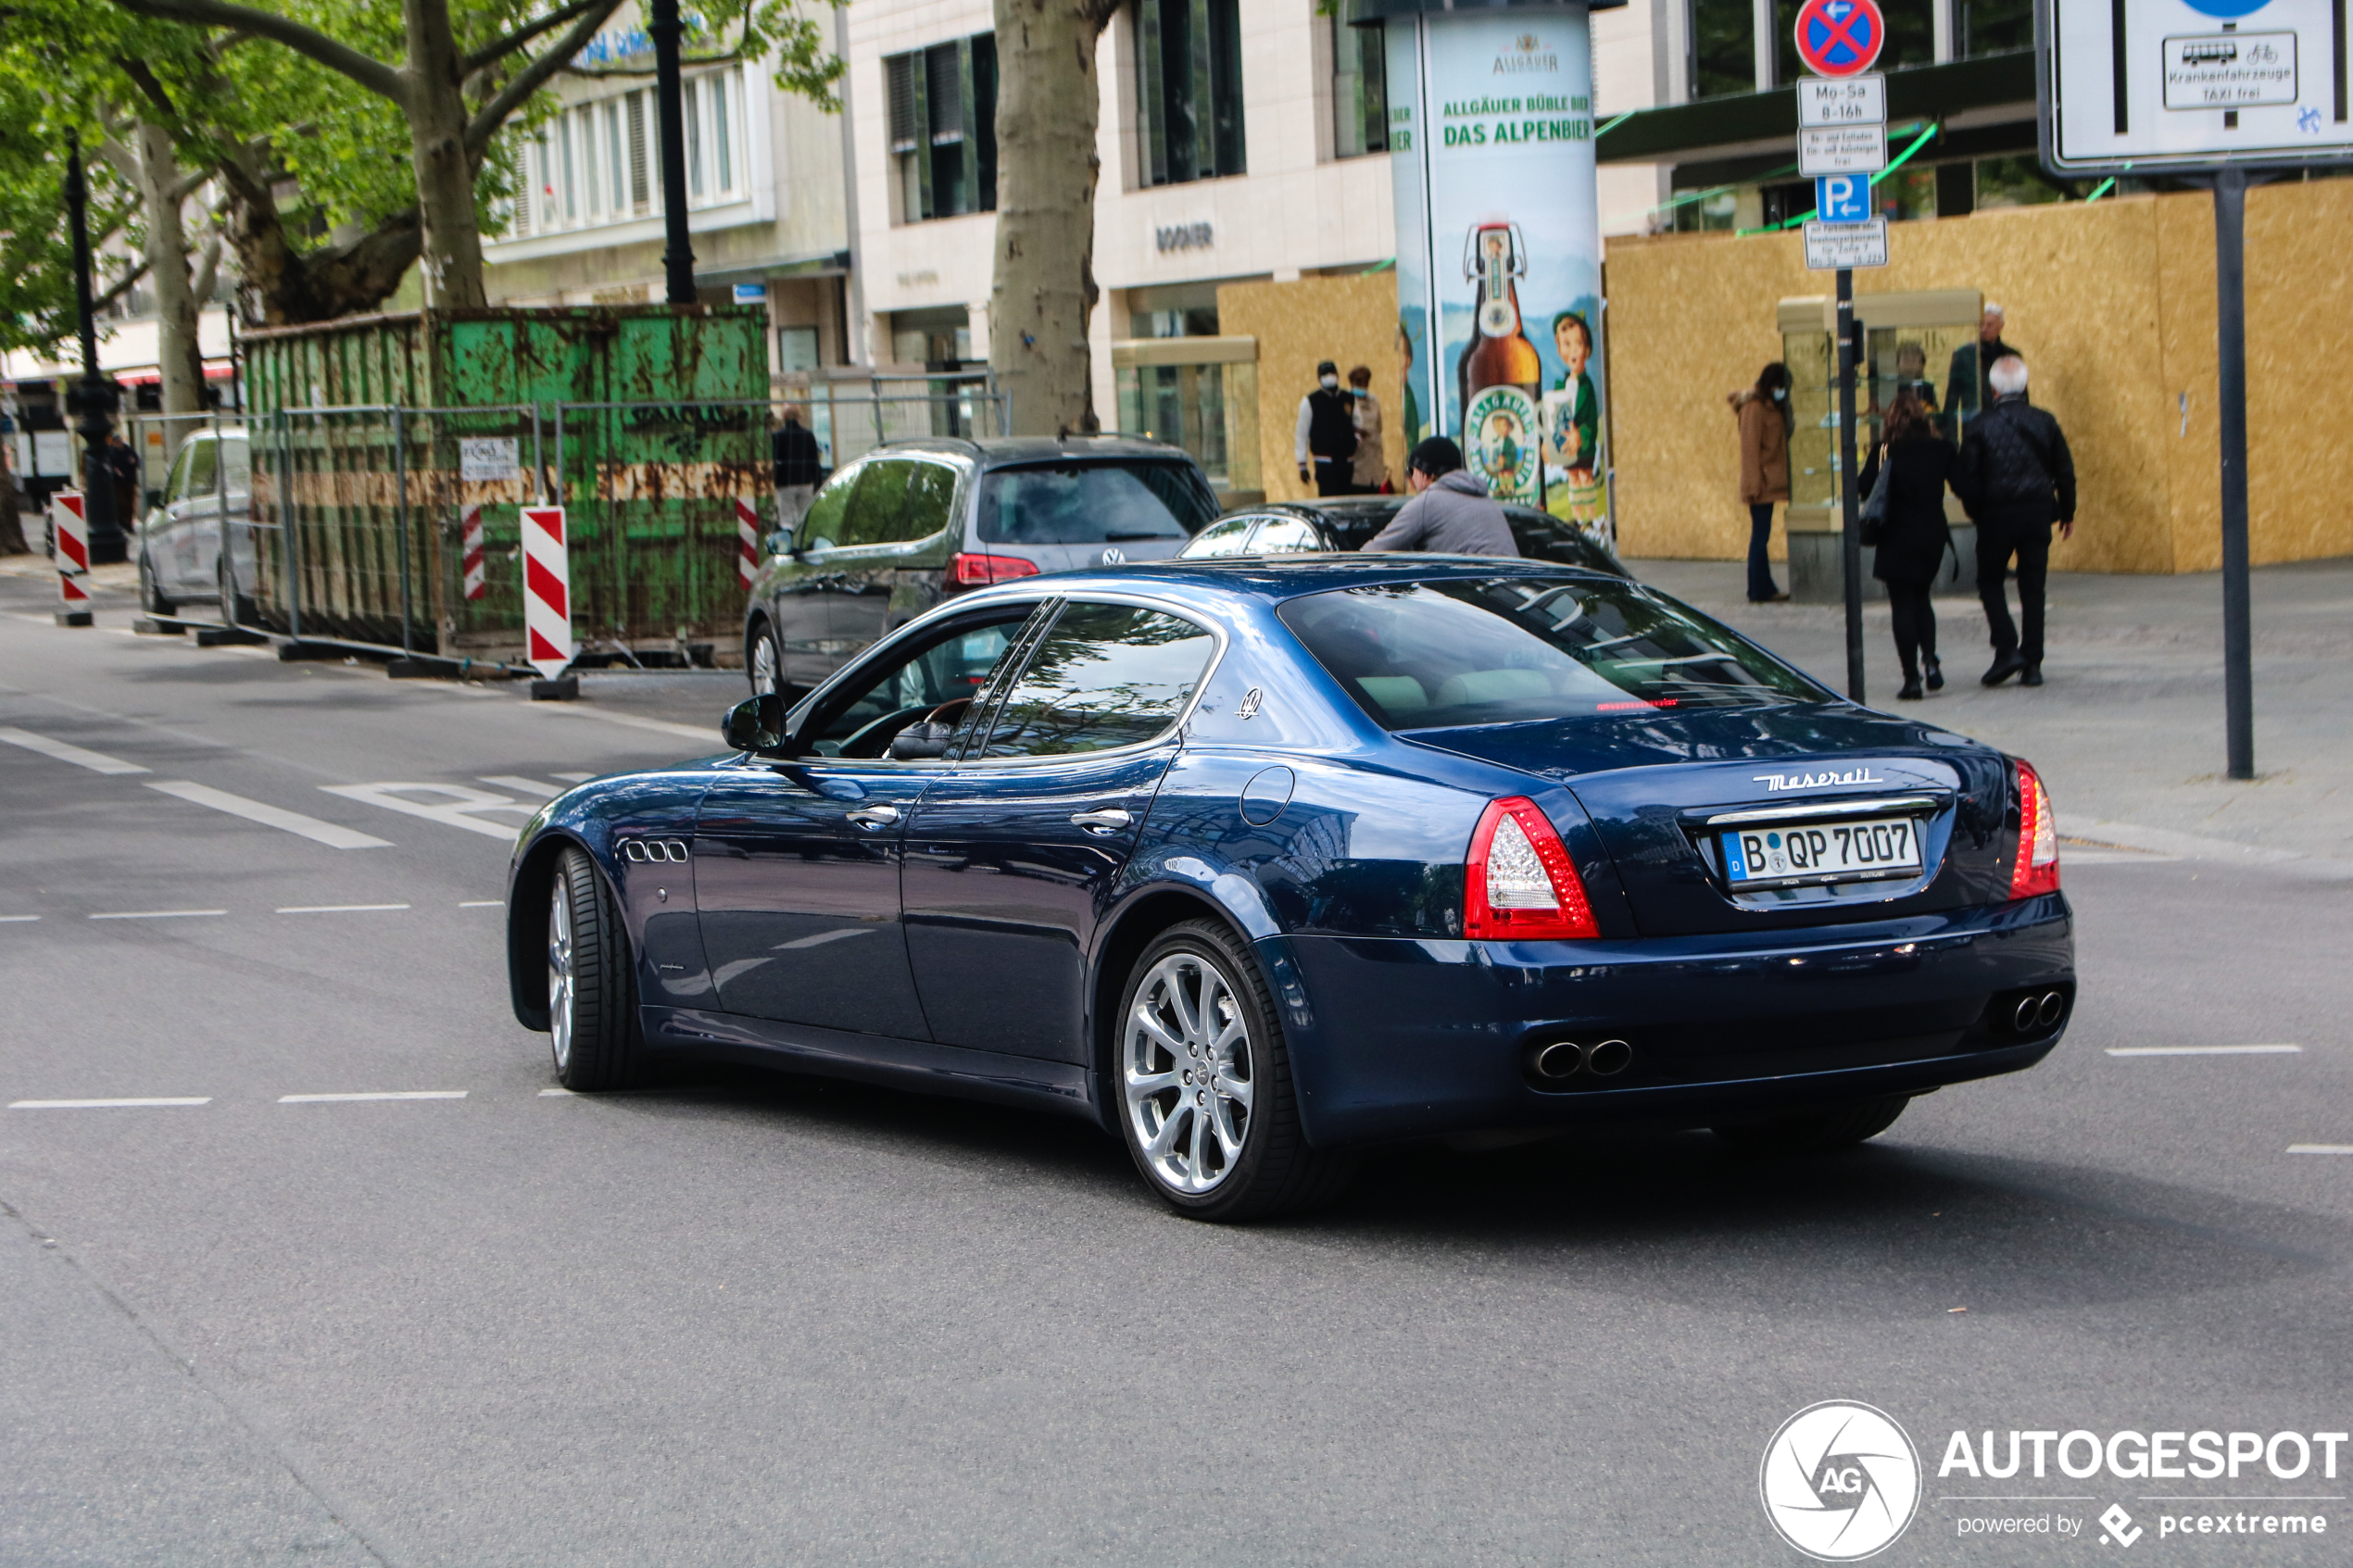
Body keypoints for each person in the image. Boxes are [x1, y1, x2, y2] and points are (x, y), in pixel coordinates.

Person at [1953, 356, 2076, 687]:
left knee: (1990, 581)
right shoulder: (2045, 421)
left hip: (1996, 515)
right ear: (2024, 385)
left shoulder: (1978, 425)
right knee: (2033, 587)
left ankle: (2007, 648)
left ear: (1992, 389)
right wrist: (2067, 512)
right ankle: (2033, 663)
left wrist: (1976, 511)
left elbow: (1969, 477)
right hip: (2036, 513)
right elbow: (2064, 471)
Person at [1857, 389, 1956, 701]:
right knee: (1922, 598)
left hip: (1895, 536)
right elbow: (1963, 481)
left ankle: (1911, 678)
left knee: (1902, 604)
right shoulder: (1940, 448)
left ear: (1891, 419)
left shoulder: (1884, 450)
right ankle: (1931, 661)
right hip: (1931, 536)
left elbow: (1863, 488)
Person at [1360, 436, 1516, 556]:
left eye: (1411, 471)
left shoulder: (1427, 503)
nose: (1411, 478)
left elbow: (1374, 553)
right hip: (1514, 591)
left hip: (1472, 591)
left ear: (1425, 473)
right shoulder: (1487, 501)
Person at [1730, 362, 1793, 603]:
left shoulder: (1770, 407)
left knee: (1761, 535)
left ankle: (1761, 587)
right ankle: (1759, 589)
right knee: (1760, 535)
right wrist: (1752, 487)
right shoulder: (1754, 409)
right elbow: (1750, 452)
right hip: (1760, 485)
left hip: (1768, 482)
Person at [1944, 304, 2020, 426]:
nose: (1984, 328)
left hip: (2006, 423)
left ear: (2001, 326)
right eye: (1981, 324)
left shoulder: (2011, 356)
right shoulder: (1963, 355)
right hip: (1974, 424)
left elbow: (2021, 394)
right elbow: (1952, 399)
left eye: (1990, 325)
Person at [1294, 359, 1359, 496]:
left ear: (1337, 375)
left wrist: (1355, 442)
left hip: (1347, 462)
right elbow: (1302, 434)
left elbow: (1358, 423)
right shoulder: (1310, 401)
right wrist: (1302, 465)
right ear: (1319, 379)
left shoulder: (1349, 398)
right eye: (1325, 374)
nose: (1329, 376)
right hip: (1325, 463)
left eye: (1331, 373)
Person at [771, 404, 824, 533]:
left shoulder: (778, 436)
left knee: (787, 518)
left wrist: (775, 481)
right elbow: (814, 460)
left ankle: (788, 543)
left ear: (783, 416)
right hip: (806, 481)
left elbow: (774, 460)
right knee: (804, 515)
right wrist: (818, 482)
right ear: (799, 417)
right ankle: (803, 540)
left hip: (786, 482)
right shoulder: (808, 435)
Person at [1346, 365, 1385, 492]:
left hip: (1374, 460)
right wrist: (1355, 430)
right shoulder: (1346, 401)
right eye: (1358, 381)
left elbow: (1379, 427)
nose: (1362, 384)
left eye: (1365, 381)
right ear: (1351, 382)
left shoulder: (1374, 401)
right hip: (1356, 462)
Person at [105, 430, 141, 531]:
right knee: (121, 503)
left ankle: (129, 523)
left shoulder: (129, 450)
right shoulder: (111, 452)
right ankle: (122, 523)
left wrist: (134, 461)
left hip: (130, 481)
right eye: (116, 441)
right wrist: (115, 471)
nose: (118, 442)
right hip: (118, 483)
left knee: (130, 504)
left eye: (119, 440)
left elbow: (138, 462)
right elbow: (109, 465)